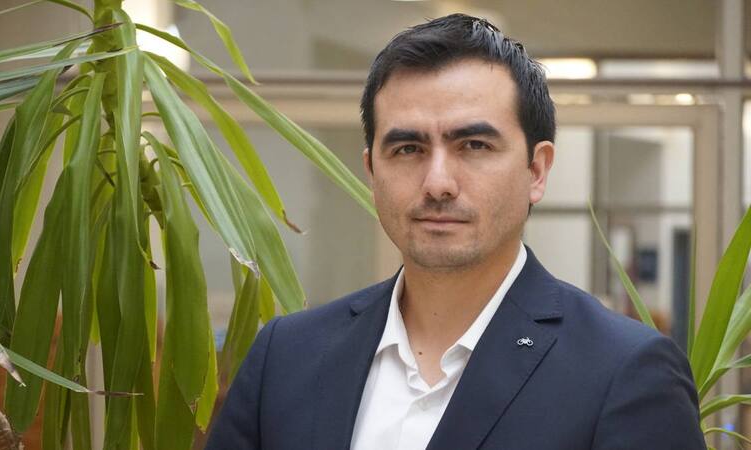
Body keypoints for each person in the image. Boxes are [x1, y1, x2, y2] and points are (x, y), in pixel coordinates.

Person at [206, 13, 706, 450]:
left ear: (536, 171)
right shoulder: (286, 358)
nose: (438, 183)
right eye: (408, 149)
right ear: (372, 171)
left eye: (474, 146)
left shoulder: (622, 372)